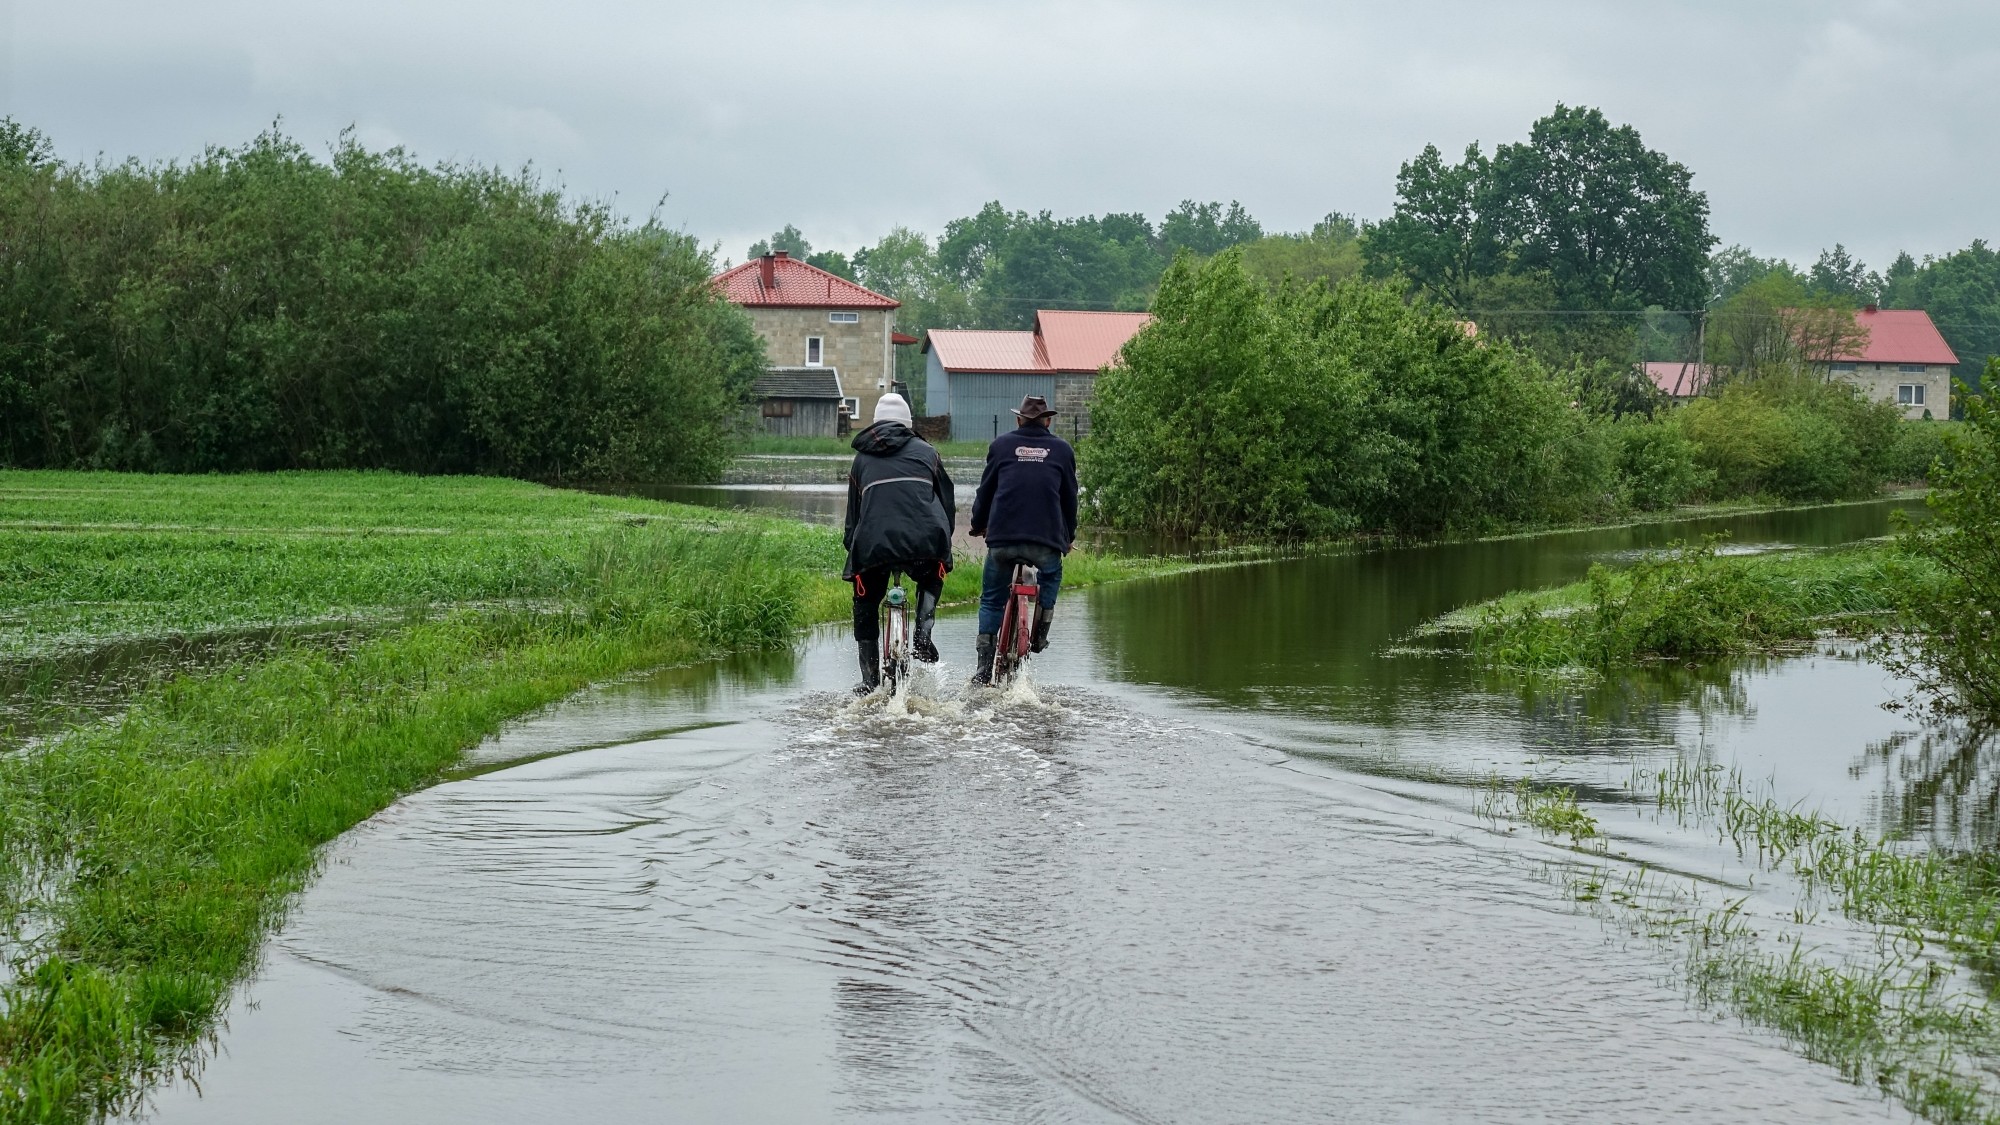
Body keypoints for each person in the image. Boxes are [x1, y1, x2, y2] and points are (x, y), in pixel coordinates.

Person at [842, 393, 955, 694]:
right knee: (931, 576)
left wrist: (853, 549)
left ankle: (869, 681)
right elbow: (947, 502)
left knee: (865, 602)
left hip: (874, 547)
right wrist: (944, 541)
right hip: (924, 544)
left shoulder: (861, 460)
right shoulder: (928, 453)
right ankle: (922, 635)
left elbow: (853, 516)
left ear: (875, 423)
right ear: (908, 424)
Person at [968, 394, 1077, 683]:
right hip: (1045, 541)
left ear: (1018, 419)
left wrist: (978, 524)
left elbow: (985, 492)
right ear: (1048, 421)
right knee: (1050, 576)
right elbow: (1069, 500)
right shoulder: (1063, 450)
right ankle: (1040, 634)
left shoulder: (1001, 446)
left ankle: (983, 668)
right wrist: (1068, 536)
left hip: (1002, 539)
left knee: (992, 599)